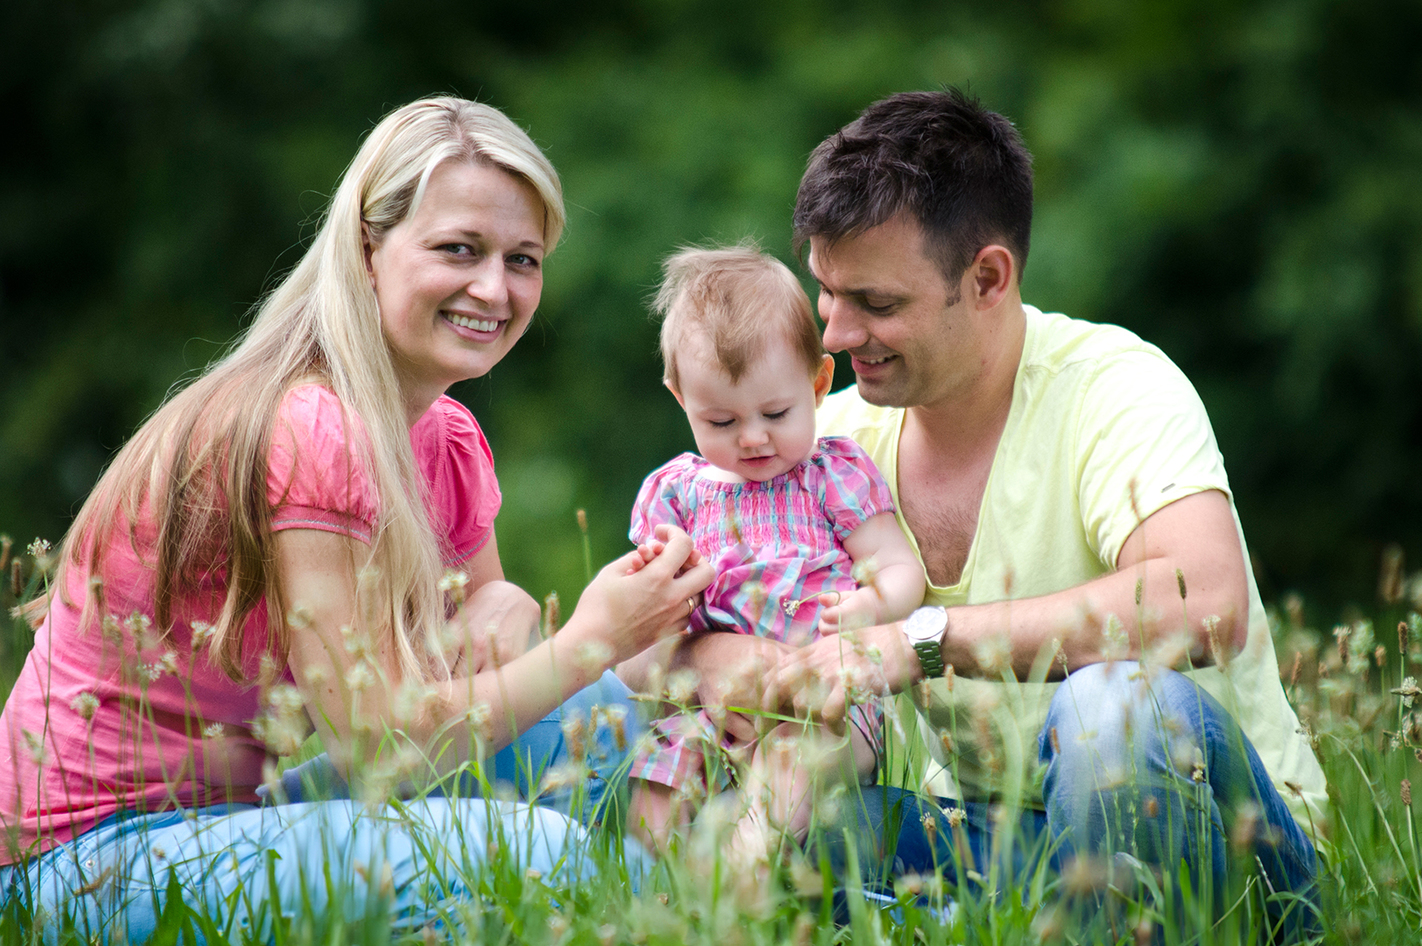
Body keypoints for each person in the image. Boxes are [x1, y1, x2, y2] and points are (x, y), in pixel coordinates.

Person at [0, 96, 712, 942]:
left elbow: (486, 639)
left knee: (595, 727)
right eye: (460, 249)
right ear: (369, 250)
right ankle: (678, 915)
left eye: (523, 259)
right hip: (89, 866)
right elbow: (377, 744)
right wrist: (592, 638)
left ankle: (681, 904)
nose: (495, 288)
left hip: (243, 817)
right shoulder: (309, 424)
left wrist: (521, 622)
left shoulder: (444, 439)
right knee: (538, 854)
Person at [670, 89, 1328, 933]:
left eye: (875, 303)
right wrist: (740, 666)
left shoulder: (1117, 387)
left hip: (1234, 851)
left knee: (1111, 711)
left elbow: (1205, 602)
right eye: (826, 293)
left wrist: (917, 642)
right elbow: (686, 634)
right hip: (998, 840)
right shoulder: (827, 441)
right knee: (782, 829)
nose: (832, 334)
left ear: (986, 278)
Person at [619, 246, 925, 862]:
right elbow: (636, 642)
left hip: (825, 705)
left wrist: (869, 607)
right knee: (657, 776)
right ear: (681, 399)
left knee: (791, 757)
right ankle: (653, 894)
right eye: (722, 421)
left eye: (776, 412)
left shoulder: (831, 473)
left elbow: (899, 568)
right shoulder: (676, 494)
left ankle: (748, 870)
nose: (753, 437)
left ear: (818, 383)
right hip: (711, 706)